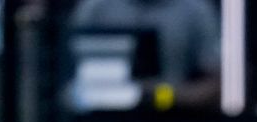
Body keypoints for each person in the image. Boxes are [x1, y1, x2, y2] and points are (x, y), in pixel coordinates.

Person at [65, 0, 221, 113]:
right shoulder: (96, 6)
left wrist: (160, 96)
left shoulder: (195, 9)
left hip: (169, 116)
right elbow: (66, 75)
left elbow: (215, 87)